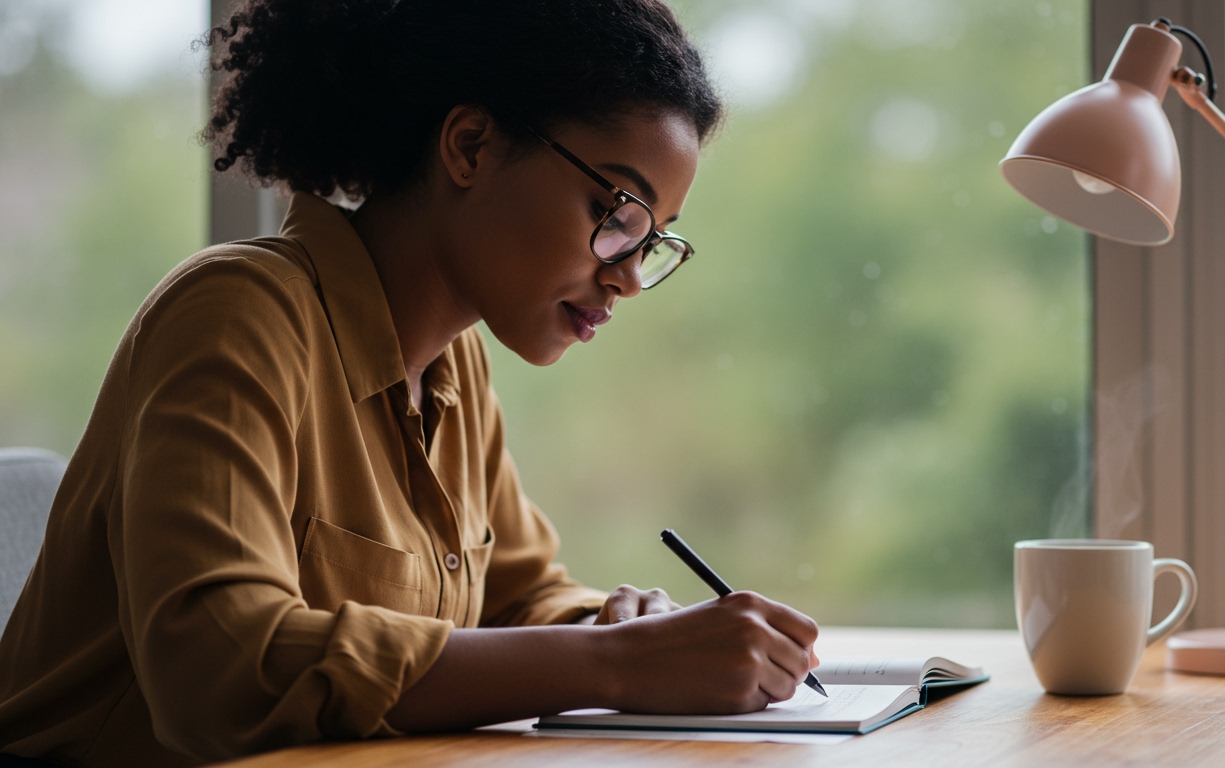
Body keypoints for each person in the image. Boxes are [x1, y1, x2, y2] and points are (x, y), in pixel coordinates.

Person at [0, 1, 820, 764]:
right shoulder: (235, 317)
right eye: (618, 216)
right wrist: (609, 661)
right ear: (470, 146)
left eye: (654, 242)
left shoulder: (454, 364)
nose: (630, 278)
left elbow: (518, 598)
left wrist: (619, 625)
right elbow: (219, 668)